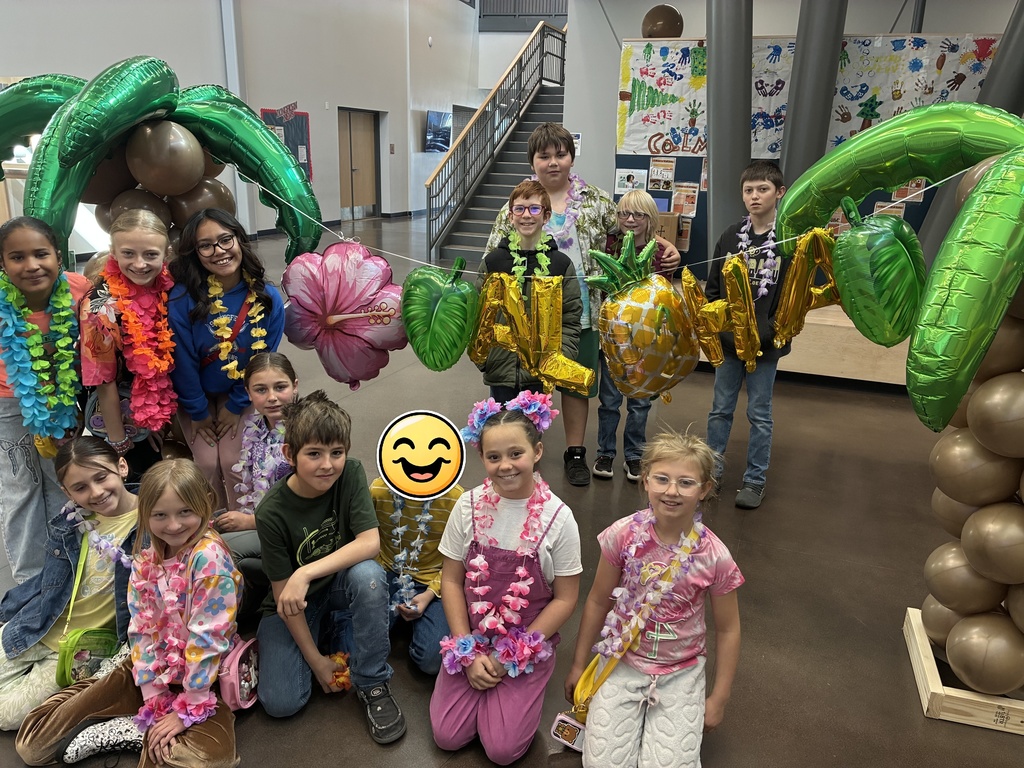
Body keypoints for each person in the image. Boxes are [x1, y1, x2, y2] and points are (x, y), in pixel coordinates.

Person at [485, 123, 680, 486]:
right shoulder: (518, 203)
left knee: (575, 385)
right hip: (526, 322)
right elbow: (491, 257)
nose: (553, 162)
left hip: (581, 312)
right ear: (533, 161)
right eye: (544, 156)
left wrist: (665, 245)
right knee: (529, 386)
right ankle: (526, 451)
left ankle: (575, 453)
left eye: (560, 154)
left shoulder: (595, 201)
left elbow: (632, 234)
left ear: (571, 157)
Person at [16, 459, 243, 767]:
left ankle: (135, 729)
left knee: (201, 760)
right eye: (160, 515)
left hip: (203, 680)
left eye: (185, 512)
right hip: (148, 668)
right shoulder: (145, 560)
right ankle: (123, 717)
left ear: (205, 505)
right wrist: (152, 698)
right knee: (33, 745)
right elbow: (140, 629)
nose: (173, 525)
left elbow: (208, 639)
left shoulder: (209, 560)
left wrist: (188, 708)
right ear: (144, 515)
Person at [564, 431, 743, 768]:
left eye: (686, 482)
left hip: (682, 670)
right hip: (622, 661)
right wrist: (577, 665)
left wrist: (719, 697)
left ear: (704, 489)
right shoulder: (623, 534)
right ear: (645, 480)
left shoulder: (715, 556)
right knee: (603, 763)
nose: (672, 491)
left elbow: (729, 629)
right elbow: (599, 600)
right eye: (662, 479)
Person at [430, 391, 582, 765]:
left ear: (538, 452)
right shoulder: (466, 506)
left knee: (502, 751)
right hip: (473, 637)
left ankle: (527, 684)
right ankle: (482, 687)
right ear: (481, 457)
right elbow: (451, 580)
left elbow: (565, 598)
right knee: (447, 736)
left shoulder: (559, 519)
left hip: (525, 646)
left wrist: (512, 655)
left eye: (516, 454)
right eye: (493, 457)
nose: (506, 466)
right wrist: (465, 648)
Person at [254, 390, 406, 744]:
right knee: (282, 702)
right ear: (289, 454)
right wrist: (317, 662)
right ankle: (328, 636)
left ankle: (373, 682)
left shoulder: (350, 473)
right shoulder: (271, 512)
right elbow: (285, 600)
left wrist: (304, 573)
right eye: (314, 454)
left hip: (333, 588)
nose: (327, 465)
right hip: (292, 606)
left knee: (369, 576)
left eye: (336, 452)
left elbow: (370, 543)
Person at [0, 437, 138, 731]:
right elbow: (46, 582)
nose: (96, 492)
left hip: (83, 649)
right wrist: (9, 611)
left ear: (122, 467)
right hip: (39, 626)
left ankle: (79, 700)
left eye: (101, 477)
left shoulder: (153, 519)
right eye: (81, 488)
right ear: (67, 492)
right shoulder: (70, 525)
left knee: (6, 716)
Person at [169, 208, 285, 511]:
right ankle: (210, 534)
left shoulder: (267, 298)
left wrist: (235, 406)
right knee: (206, 464)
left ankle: (243, 531)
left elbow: (262, 363)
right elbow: (181, 360)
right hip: (197, 395)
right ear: (195, 253)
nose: (218, 251)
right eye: (206, 245)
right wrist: (197, 411)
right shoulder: (183, 299)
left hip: (241, 392)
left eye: (225, 240)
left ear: (239, 240)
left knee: (236, 462)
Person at [0, 216, 91, 583]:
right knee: (22, 489)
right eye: (17, 257)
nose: (32, 265)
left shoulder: (78, 290)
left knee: (62, 482)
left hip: (63, 401)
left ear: (58, 254)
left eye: (41, 254)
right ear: (3, 264)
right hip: (8, 405)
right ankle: (30, 584)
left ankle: (68, 573)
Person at [705, 160, 789, 509]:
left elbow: (791, 298)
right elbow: (712, 289)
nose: (755, 196)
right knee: (720, 409)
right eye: (748, 190)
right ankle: (712, 473)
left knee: (760, 413)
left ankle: (755, 480)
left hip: (766, 347)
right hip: (728, 343)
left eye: (763, 189)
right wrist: (724, 329)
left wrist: (770, 332)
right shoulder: (729, 236)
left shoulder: (788, 239)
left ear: (779, 192)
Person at [80, 210, 176, 480]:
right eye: (128, 254)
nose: (140, 264)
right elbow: (104, 380)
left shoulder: (169, 285)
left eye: (150, 254)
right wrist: (120, 442)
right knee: (141, 482)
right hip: (121, 414)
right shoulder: (100, 303)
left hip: (168, 403)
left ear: (165, 253)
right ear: (113, 252)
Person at [478, 179, 582, 402]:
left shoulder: (561, 265)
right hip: (500, 370)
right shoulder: (493, 262)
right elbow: (478, 317)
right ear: (510, 216)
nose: (527, 215)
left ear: (546, 216)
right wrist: (484, 358)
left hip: (541, 371)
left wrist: (559, 358)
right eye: (520, 208)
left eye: (534, 208)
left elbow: (571, 318)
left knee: (532, 433)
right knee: (502, 431)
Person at [213, 351, 297, 616]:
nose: (271, 397)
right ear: (248, 393)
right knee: (204, 532)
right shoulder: (257, 429)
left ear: (295, 385)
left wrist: (251, 522)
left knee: (219, 550)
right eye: (261, 389)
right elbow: (255, 490)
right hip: (265, 519)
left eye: (280, 387)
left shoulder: (305, 431)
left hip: (294, 529)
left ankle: (230, 617)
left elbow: (308, 504)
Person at [592, 190, 665, 484]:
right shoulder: (608, 246)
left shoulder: (660, 253)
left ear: (650, 219)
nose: (630, 220)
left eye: (638, 214)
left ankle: (634, 455)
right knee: (609, 400)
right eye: (624, 214)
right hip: (613, 339)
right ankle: (605, 452)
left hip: (645, 341)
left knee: (640, 403)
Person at [370, 478, 463, 676]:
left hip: (434, 579)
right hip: (389, 570)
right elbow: (368, 539)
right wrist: (378, 575)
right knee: (356, 644)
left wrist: (430, 593)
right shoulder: (379, 490)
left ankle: (413, 626)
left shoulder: (456, 500)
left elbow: (458, 558)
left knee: (432, 662)